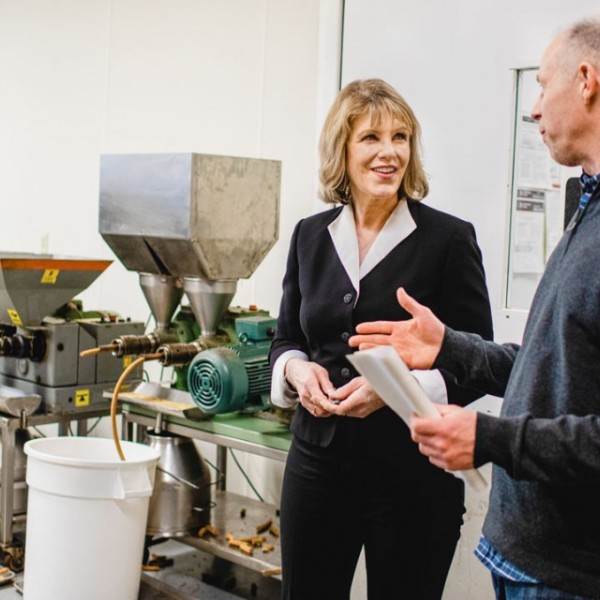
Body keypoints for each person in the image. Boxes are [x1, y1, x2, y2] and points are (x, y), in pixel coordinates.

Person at [346, 19, 600, 600]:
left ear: (585, 80)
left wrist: (491, 439)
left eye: (541, 85)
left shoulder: (450, 237)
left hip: (569, 572)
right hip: (522, 552)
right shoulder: (585, 207)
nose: (533, 108)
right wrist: (449, 347)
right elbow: (550, 364)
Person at [268, 78, 494, 600]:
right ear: (342, 151)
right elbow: (286, 339)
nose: (388, 152)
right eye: (370, 137)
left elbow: (478, 363)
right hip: (317, 465)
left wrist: (395, 392)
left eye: (400, 137)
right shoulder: (309, 235)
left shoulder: (448, 240)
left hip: (411, 474)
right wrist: (298, 373)